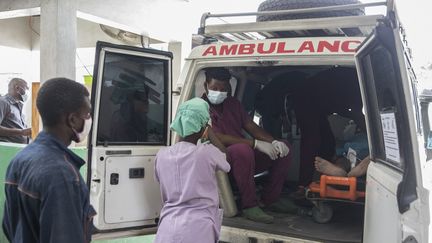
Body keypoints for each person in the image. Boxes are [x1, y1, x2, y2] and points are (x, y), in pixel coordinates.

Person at [2, 78, 96, 243]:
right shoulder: (63, 176)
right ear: (72, 119)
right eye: (87, 113)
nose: (89, 119)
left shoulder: (20, 159)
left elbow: (10, 227)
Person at [202, 67, 295, 224]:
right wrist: (255, 144)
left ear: (229, 88)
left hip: (243, 157)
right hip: (220, 158)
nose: (219, 92)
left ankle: (271, 199)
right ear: (206, 86)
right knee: (242, 150)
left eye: (223, 89)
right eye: (215, 88)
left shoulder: (233, 104)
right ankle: (250, 205)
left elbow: (250, 126)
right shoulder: (199, 107)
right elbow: (217, 137)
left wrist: (272, 141)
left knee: (283, 148)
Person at [154, 97, 230, 243]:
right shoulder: (206, 152)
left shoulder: (161, 155)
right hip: (198, 228)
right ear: (204, 127)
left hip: (167, 227)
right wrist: (210, 133)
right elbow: (225, 161)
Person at [0, 78, 32, 143]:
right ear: (17, 88)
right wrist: (21, 132)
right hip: (7, 149)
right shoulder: (3, 102)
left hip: (17, 149)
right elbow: (22, 132)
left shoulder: (18, 106)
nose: (28, 92)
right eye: (27, 88)